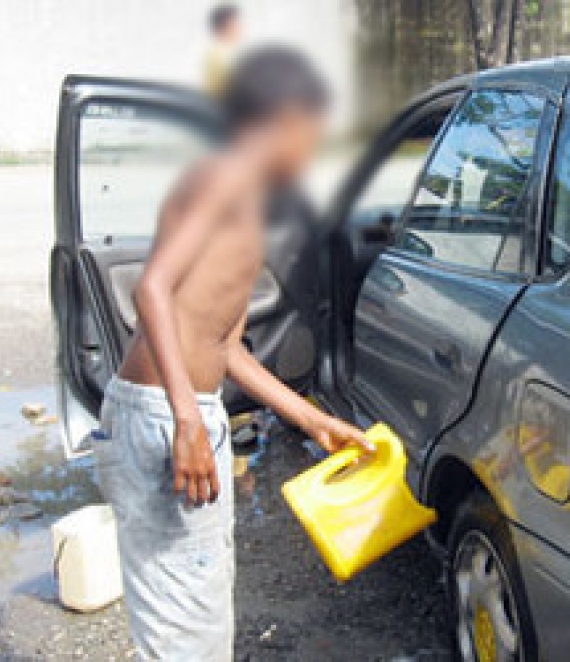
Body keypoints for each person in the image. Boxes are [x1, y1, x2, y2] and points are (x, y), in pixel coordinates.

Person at [92, 47, 370, 661]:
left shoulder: (250, 203)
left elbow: (226, 346)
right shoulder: (220, 178)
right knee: (179, 623)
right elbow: (152, 288)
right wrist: (188, 419)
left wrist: (313, 418)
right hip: (164, 415)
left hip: (186, 411)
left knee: (201, 609)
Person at [204, 4, 242, 97]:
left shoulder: (225, 53)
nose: (240, 29)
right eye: (235, 24)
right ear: (225, 26)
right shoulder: (219, 56)